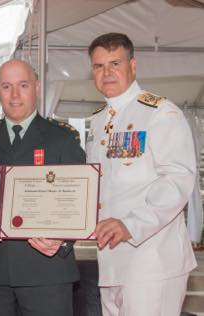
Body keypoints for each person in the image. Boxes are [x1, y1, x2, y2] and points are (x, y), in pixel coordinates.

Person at [86, 32, 197, 316]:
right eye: (99, 66)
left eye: (115, 63)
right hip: (111, 260)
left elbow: (177, 180)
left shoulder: (161, 113)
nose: (106, 72)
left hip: (151, 259)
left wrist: (131, 225)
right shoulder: (99, 121)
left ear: (133, 66)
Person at [0, 59, 86, 316]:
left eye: (22, 85)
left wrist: (63, 241)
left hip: (47, 270)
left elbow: (79, 202)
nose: (14, 95)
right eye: (7, 86)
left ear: (36, 87)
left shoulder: (63, 138)